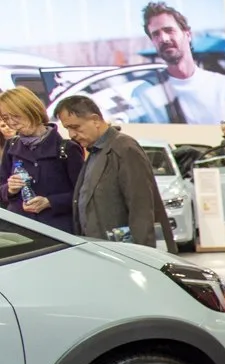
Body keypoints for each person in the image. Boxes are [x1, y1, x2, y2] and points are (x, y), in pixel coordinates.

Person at [55, 95, 174, 249]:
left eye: (75, 127)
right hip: (102, 250)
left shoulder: (124, 149)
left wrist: (144, 255)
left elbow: (141, 208)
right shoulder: (96, 152)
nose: (71, 135)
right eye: (67, 129)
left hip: (126, 253)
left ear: (95, 120)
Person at [1, 87, 84, 234]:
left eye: (16, 116)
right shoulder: (11, 145)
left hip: (56, 233)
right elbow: (1, 188)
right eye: (6, 118)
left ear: (31, 110)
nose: (12, 123)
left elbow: (83, 195)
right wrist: (10, 189)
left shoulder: (67, 149)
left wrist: (50, 202)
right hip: (18, 230)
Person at [143, 1, 225, 125]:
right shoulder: (144, 94)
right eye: (156, 34)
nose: (164, 39)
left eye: (169, 30)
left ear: (187, 34)